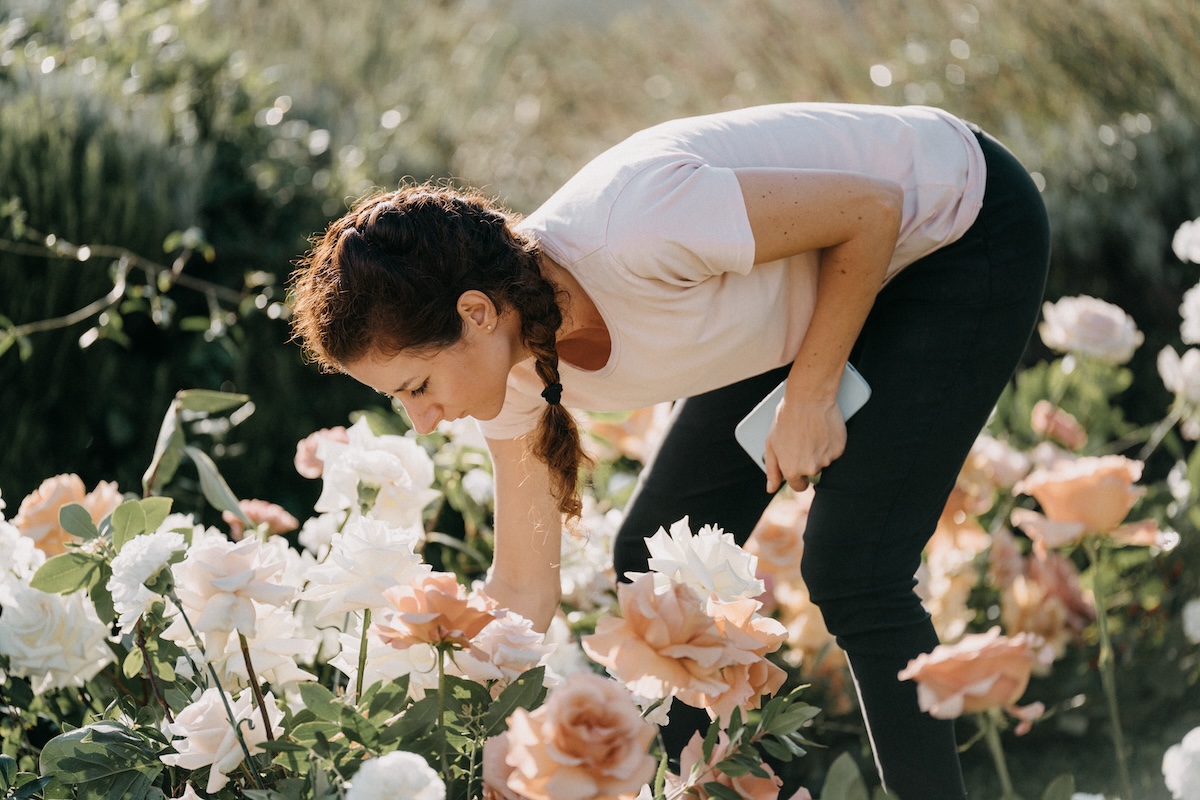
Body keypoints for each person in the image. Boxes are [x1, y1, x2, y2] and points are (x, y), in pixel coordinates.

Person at [289, 102, 1050, 800]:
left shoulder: (637, 227)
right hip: (810, 290)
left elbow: (869, 209)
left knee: (854, 566)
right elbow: (524, 588)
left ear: (476, 312)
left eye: (418, 386)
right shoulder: (513, 371)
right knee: (653, 571)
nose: (423, 421)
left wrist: (811, 394)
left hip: (955, 230)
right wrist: (440, 716)